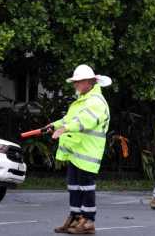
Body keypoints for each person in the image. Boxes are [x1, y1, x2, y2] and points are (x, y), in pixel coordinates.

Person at [49, 64, 111, 235]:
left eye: (78, 82)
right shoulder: (83, 100)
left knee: (86, 187)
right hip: (78, 152)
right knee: (74, 186)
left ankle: (88, 221)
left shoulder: (96, 102)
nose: (75, 85)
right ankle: (76, 218)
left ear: (89, 82)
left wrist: (65, 129)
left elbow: (85, 121)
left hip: (88, 153)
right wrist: (53, 125)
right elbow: (69, 119)